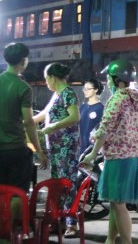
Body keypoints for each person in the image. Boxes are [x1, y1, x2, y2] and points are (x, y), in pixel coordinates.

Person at [81, 60, 138, 244]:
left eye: (109, 78)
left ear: (118, 80)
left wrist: (92, 154)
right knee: (115, 203)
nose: (107, 82)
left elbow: (104, 130)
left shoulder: (117, 99)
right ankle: (111, 240)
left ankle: (126, 242)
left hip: (118, 158)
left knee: (118, 205)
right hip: (133, 157)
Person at [0, 43, 48, 221]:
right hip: (16, 150)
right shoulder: (23, 88)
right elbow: (28, 122)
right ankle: (10, 232)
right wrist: (39, 151)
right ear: (23, 61)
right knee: (17, 193)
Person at [33, 62, 80, 238]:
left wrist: (52, 127)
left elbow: (75, 116)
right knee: (58, 184)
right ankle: (58, 219)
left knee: (68, 183)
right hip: (56, 148)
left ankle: (71, 223)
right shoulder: (56, 94)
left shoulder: (68, 93)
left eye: (46, 79)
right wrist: (26, 122)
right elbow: (43, 114)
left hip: (66, 147)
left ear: (53, 77)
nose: (46, 82)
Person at [79, 78, 104, 155]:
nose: (85, 91)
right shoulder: (82, 107)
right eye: (84, 89)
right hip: (80, 145)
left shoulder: (101, 108)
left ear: (96, 90)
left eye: (88, 89)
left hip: (92, 147)